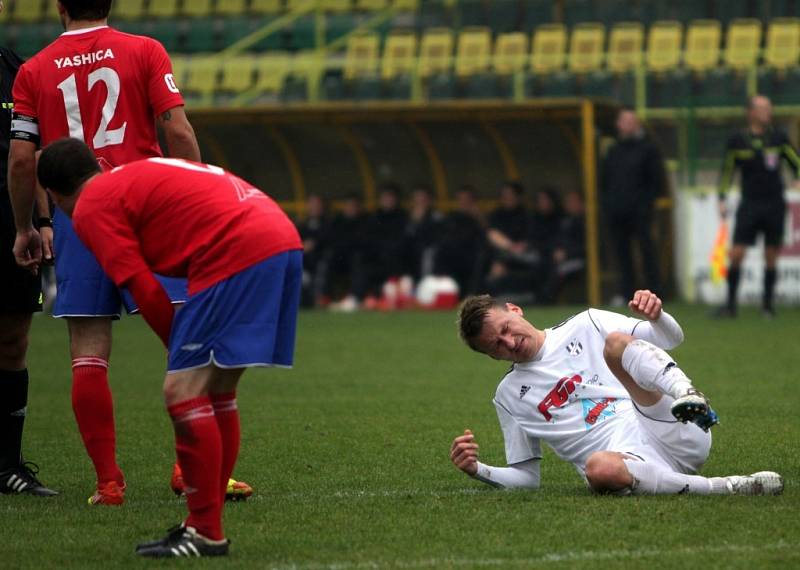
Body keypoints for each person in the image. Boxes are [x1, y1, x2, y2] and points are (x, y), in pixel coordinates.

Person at [7, 0, 250, 505]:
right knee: (187, 342)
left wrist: (26, 226)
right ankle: (193, 469)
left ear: (58, 6)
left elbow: (22, 160)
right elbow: (178, 130)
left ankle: (109, 483)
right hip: (148, 210)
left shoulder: (33, 70)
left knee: (88, 353)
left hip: (79, 218)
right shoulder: (144, 50)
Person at [37, 138, 303, 557]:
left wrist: (177, 352)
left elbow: (143, 286)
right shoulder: (125, 179)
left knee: (183, 391)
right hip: (279, 236)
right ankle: (202, 525)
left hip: (237, 246)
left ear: (52, 194)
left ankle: (205, 532)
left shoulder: (89, 206)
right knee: (217, 392)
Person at [449, 290, 783, 497]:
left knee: (616, 345)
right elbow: (527, 478)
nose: (509, 342)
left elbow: (669, 339)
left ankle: (688, 394)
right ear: (492, 356)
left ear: (515, 310)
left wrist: (659, 316)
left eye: (505, 329)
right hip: (628, 466)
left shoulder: (587, 322)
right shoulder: (508, 397)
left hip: (663, 424)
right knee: (599, 469)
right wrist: (478, 469)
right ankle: (728, 486)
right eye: (496, 346)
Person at [0, 0, 57, 497]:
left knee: (14, 339)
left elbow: (29, 154)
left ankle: (7, 464)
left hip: (8, 220)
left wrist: (41, 220)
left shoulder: (18, 70)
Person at [716, 95, 800, 318]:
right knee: (736, 253)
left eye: (769, 108)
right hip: (749, 204)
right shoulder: (737, 140)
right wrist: (722, 198)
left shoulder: (779, 137)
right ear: (750, 113)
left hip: (774, 204)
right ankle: (730, 305)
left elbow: (796, 162)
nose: (767, 113)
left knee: (771, 254)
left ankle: (767, 306)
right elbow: (727, 170)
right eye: (763, 109)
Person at [600, 108, 664, 303]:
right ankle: (627, 293)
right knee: (622, 255)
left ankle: (654, 292)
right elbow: (605, 181)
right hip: (617, 212)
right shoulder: (613, 151)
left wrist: (645, 204)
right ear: (618, 124)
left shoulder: (648, 149)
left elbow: (655, 181)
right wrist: (609, 204)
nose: (629, 124)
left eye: (632, 120)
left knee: (647, 251)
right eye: (625, 120)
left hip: (640, 212)